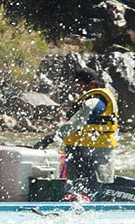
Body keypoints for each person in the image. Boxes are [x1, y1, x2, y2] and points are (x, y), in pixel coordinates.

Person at [33, 71, 117, 199]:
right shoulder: (86, 99)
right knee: (75, 189)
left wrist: (52, 138)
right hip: (78, 150)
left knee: (92, 190)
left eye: (79, 85)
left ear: (92, 85)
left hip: (96, 152)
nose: (76, 89)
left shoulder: (96, 100)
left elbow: (80, 121)